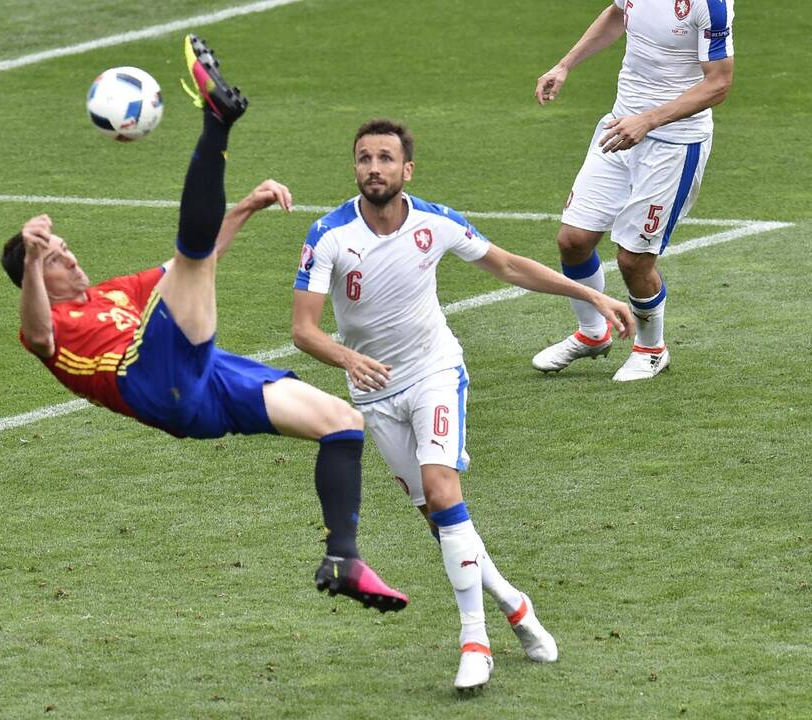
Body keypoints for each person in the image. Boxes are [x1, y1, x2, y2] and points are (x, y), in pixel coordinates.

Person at [0, 35, 408, 613]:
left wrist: (242, 208)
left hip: (203, 386)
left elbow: (195, 264)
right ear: (37, 277)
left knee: (340, 422)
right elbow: (39, 335)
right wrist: (35, 261)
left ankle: (343, 557)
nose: (70, 257)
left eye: (64, 249)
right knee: (188, 264)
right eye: (56, 257)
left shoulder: (114, 291)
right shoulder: (48, 322)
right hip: (146, 379)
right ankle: (216, 123)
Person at [291, 119, 635, 690]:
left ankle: (474, 641)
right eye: (363, 159)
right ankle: (514, 604)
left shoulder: (435, 222)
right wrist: (345, 359)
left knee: (444, 490)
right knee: (439, 518)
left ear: (407, 170)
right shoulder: (328, 235)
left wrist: (591, 292)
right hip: (373, 391)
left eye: (384, 158)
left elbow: (508, 265)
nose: (373, 168)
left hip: (434, 372)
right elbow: (304, 329)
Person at [531, 0, 735, 380]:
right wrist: (564, 65)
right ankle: (593, 334)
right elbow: (616, 13)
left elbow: (719, 83)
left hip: (674, 144)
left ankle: (652, 348)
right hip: (619, 126)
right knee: (573, 240)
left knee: (634, 260)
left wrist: (649, 119)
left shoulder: (711, 5)